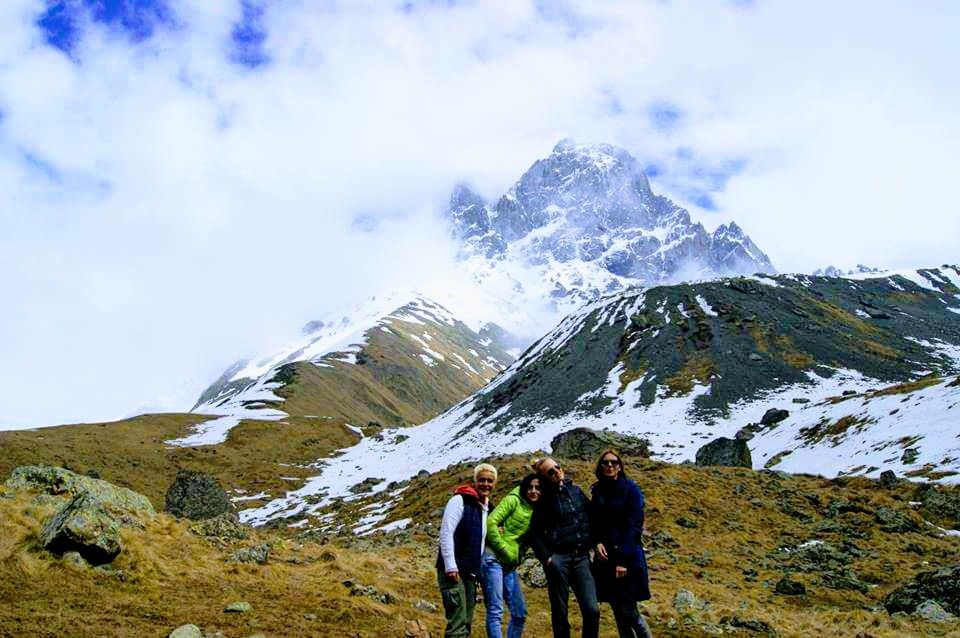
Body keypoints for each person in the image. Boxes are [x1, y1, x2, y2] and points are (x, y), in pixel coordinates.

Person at [528, 457, 600, 638]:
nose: (556, 472)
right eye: (550, 471)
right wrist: (547, 558)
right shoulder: (544, 500)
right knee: (560, 613)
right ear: (545, 477)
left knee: (592, 609)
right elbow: (535, 533)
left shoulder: (576, 491)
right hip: (559, 559)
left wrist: (596, 542)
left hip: (581, 557)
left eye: (557, 467)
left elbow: (592, 517)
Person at [589, 450, 652, 638]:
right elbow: (595, 522)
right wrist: (596, 542)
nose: (609, 466)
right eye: (605, 463)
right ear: (600, 466)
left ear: (619, 466)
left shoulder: (631, 489)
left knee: (629, 610)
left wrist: (623, 561)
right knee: (617, 610)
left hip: (627, 557)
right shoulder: (598, 490)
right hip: (606, 559)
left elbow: (634, 526)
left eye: (613, 462)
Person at [437, 463, 498, 637]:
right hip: (453, 571)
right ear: (475, 481)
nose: (486, 484)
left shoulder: (487, 508)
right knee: (457, 624)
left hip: (470, 573)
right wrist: (450, 565)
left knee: (466, 623)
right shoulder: (460, 500)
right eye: (482, 480)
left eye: (490, 481)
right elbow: (446, 532)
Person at [481, 473, 542, 638]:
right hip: (493, 558)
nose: (533, 491)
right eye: (530, 487)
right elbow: (491, 522)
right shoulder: (513, 499)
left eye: (538, 488)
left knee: (519, 613)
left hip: (510, 565)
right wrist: (504, 549)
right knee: (496, 610)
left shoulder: (538, 509)